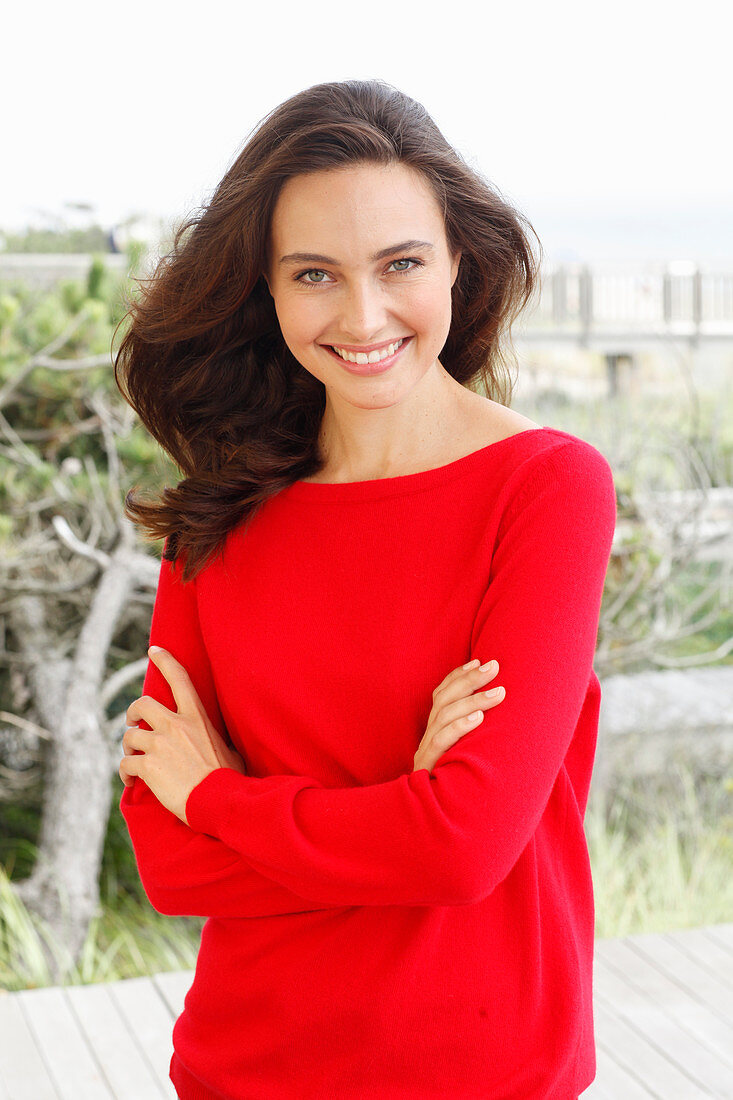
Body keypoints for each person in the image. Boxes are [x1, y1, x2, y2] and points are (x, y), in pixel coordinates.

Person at [116, 78, 616, 1100]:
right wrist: (402, 813)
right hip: (243, 1066)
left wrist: (219, 797)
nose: (363, 312)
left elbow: (464, 849)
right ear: (265, 289)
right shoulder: (219, 510)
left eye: (400, 263)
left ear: (457, 263)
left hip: (484, 1071)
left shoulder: (546, 488)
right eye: (313, 273)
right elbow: (168, 863)